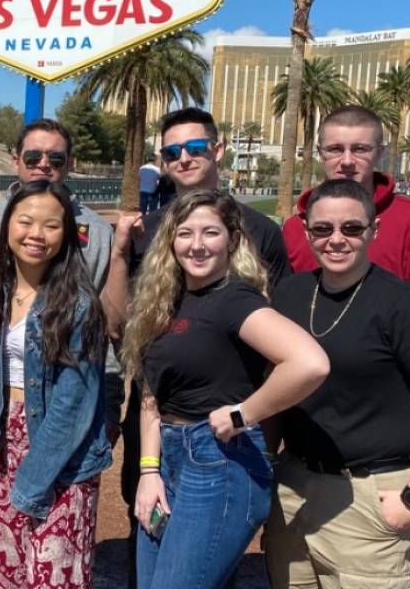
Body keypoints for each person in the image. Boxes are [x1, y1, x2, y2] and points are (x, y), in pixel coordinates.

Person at [102, 108, 292, 588]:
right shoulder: (150, 229)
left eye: (195, 148)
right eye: (172, 152)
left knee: (205, 564)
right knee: (152, 546)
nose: (184, 158)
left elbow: (281, 349)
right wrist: (122, 253)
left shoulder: (259, 232)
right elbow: (127, 329)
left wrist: (255, 425)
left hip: (221, 432)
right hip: (158, 421)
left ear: (218, 150)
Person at [263, 179, 410, 589]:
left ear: (373, 230)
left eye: (352, 228)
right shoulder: (290, 293)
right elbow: (276, 386)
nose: (336, 239)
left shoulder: (405, 306)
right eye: (323, 229)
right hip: (294, 485)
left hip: (371, 494)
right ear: (307, 231)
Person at [122, 190, 329, 589]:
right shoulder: (163, 301)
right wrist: (149, 472)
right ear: (171, 240)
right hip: (167, 458)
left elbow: (310, 363)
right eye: (185, 233)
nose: (197, 245)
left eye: (210, 233)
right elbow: (151, 394)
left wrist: (244, 413)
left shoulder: (234, 299)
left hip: (219, 465)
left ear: (232, 241)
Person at [0, 116, 118, 589]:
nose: (36, 234)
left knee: (52, 575)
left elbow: (73, 402)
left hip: (58, 453)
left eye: (51, 225)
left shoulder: (79, 302)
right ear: (8, 226)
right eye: (25, 221)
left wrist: (31, 482)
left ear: (67, 234)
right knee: (7, 571)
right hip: (3, 438)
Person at [282, 105, 410, 322]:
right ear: (320, 151)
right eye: (335, 149)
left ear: (380, 152)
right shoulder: (295, 227)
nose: (347, 161)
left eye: (360, 149)